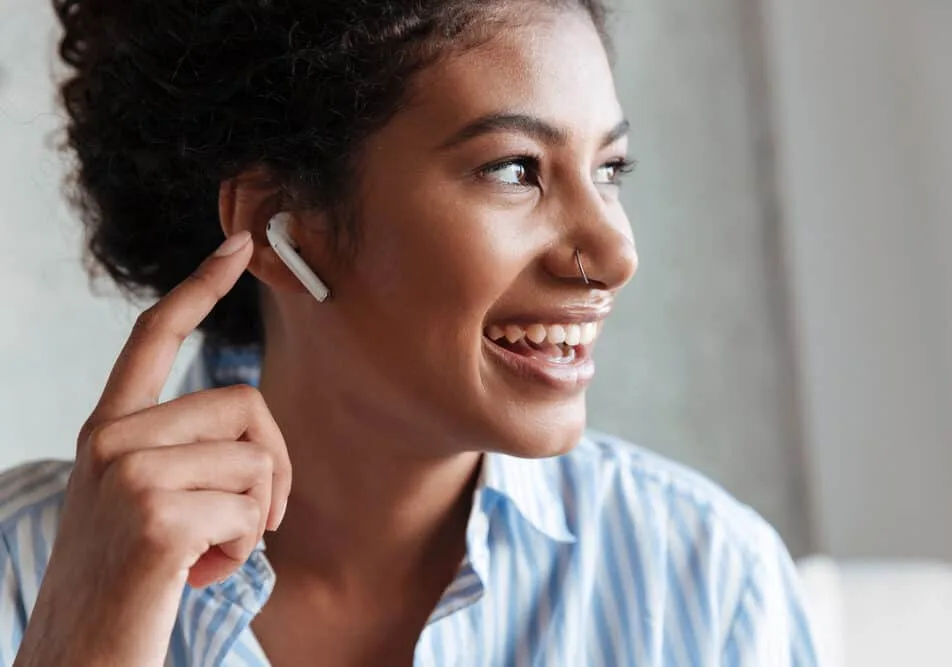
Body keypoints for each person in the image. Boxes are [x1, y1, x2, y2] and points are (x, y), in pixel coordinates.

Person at [1, 0, 819, 665]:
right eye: (515, 169)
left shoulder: (708, 580)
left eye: (609, 170)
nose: (615, 253)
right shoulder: (20, 571)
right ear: (283, 227)